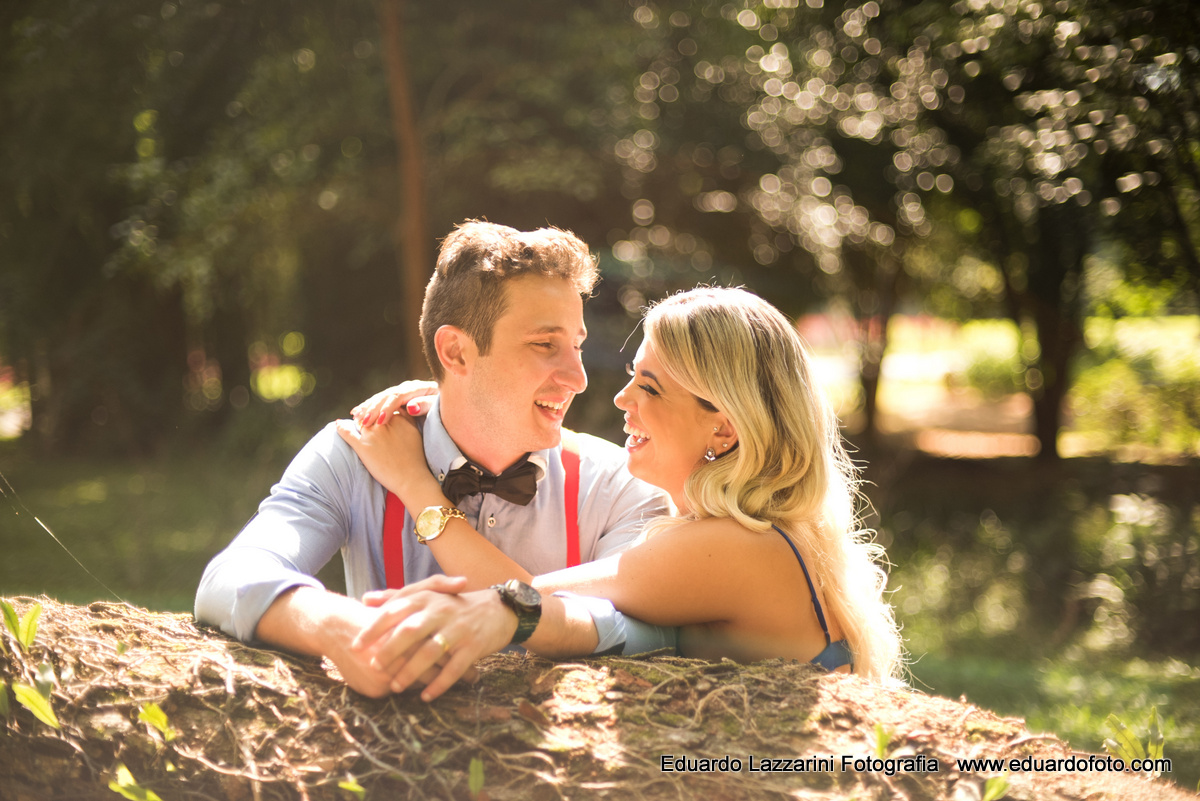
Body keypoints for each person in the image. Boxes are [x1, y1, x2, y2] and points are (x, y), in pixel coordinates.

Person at [337, 286, 903, 701]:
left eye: (649, 388)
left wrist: (414, 484)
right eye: (633, 375)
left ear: (724, 430)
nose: (622, 398)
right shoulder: (764, 532)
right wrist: (466, 400)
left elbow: (519, 600)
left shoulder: (731, 547)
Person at [194, 221, 673, 699]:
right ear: (455, 352)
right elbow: (230, 577)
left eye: (577, 346)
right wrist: (341, 627)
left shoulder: (617, 485)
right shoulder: (354, 453)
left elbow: (652, 627)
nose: (578, 378)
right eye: (545, 345)